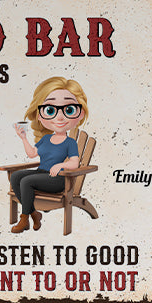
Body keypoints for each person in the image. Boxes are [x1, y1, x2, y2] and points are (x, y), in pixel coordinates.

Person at [9, 76, 89, 233]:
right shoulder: (46, 139)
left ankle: (24, 219)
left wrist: (61, 165)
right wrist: (24, 138)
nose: (59, 117)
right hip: (42, 174)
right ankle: (34, 213)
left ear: (80, 114)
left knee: (26, 181)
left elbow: (74, 163)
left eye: (69, 110)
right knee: (16, 177)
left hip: (58, 179)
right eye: (50, 110)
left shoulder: (69, 142)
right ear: (40, 115)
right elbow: (32, 154)